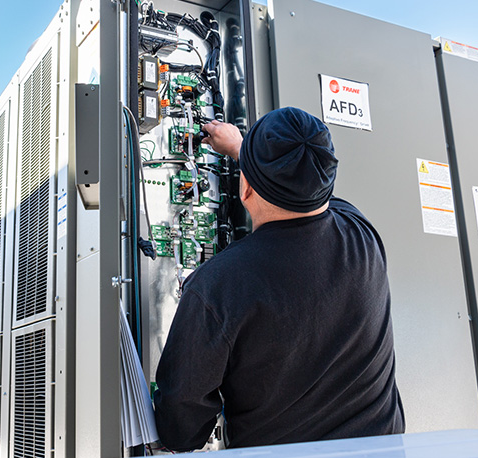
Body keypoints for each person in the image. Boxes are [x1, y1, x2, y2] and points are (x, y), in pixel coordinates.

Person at [152, 107, 404, 451]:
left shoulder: (217, 288)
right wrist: (247, 154)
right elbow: (314, 196)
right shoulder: (362, 234)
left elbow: (181, 430)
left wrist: (246, 154)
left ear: (246, 191)